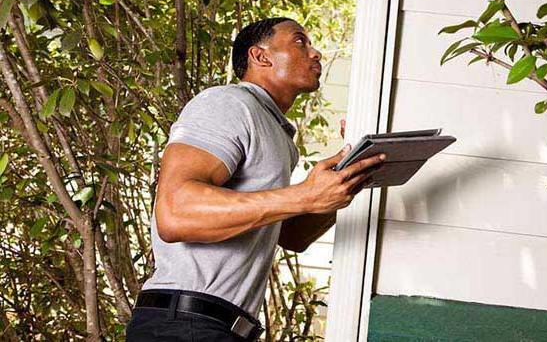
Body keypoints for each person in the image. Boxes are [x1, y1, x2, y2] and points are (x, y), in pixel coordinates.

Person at [125, 17, 385, 341]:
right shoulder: (228, 103)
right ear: (260, 57)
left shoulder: (277, 133)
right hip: (183, 324)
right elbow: (175, 212)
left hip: (222, 328)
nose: (316, 53)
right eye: (300, 42)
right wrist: (304, 195)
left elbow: (291, 237)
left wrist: (344, 182)